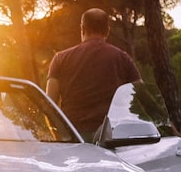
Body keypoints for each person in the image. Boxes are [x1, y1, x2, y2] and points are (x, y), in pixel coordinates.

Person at [46, 8, 141, 137]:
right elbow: (142, 96)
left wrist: (60, 138)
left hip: (73, 136)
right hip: (110, 137)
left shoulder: (60, 59)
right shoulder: (122, 58)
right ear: (107, 31)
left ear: (82, 29)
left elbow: (49, 105)